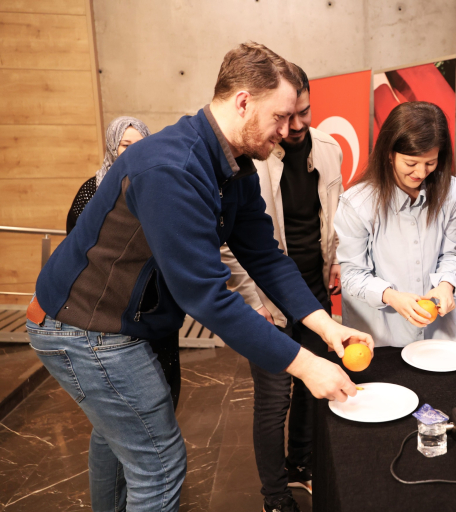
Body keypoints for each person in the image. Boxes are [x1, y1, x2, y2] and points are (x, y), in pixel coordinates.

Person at [26, 42, 373, 512]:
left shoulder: (236, 164)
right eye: (280, 117)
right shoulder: (171, 167)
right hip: (85, 327)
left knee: (118, 441)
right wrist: (306, 365)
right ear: (244, 102)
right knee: (159, 463)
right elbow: (206, 297)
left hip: (111, 321)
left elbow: (265, 256)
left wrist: (324, 325)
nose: (289, 130)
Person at [220, 65, 342, 512]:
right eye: (286, 116)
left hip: (311, 290)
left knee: (314, 385)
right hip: (266, 295)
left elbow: (334, 216)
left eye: (304, 112)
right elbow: (231, 247)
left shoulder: (328, 149)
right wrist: (253, 302)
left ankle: (301, 465)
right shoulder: (250, 156)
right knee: (274, 400)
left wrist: (336, 262)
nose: (295, 125)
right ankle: (274, 496)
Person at [65, 117, 182, 409]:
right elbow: (75, 245)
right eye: (125, 145)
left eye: (141, 144)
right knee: (121, 400)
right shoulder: (92, 190)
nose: (134, 151)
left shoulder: (160, 186)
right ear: (112, 147)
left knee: (164, 388)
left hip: (155, 301)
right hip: (110, 306)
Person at [335, 101, 456, 346]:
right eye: (410, 163)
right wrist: (390, 296)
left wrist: (446, 284)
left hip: (439, 333)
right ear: (389, 153)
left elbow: (450, 253)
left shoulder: (450, 190)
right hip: (381, 337)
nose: (421, 173)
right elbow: (352, 276)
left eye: (430, 163)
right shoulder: (357, 203)